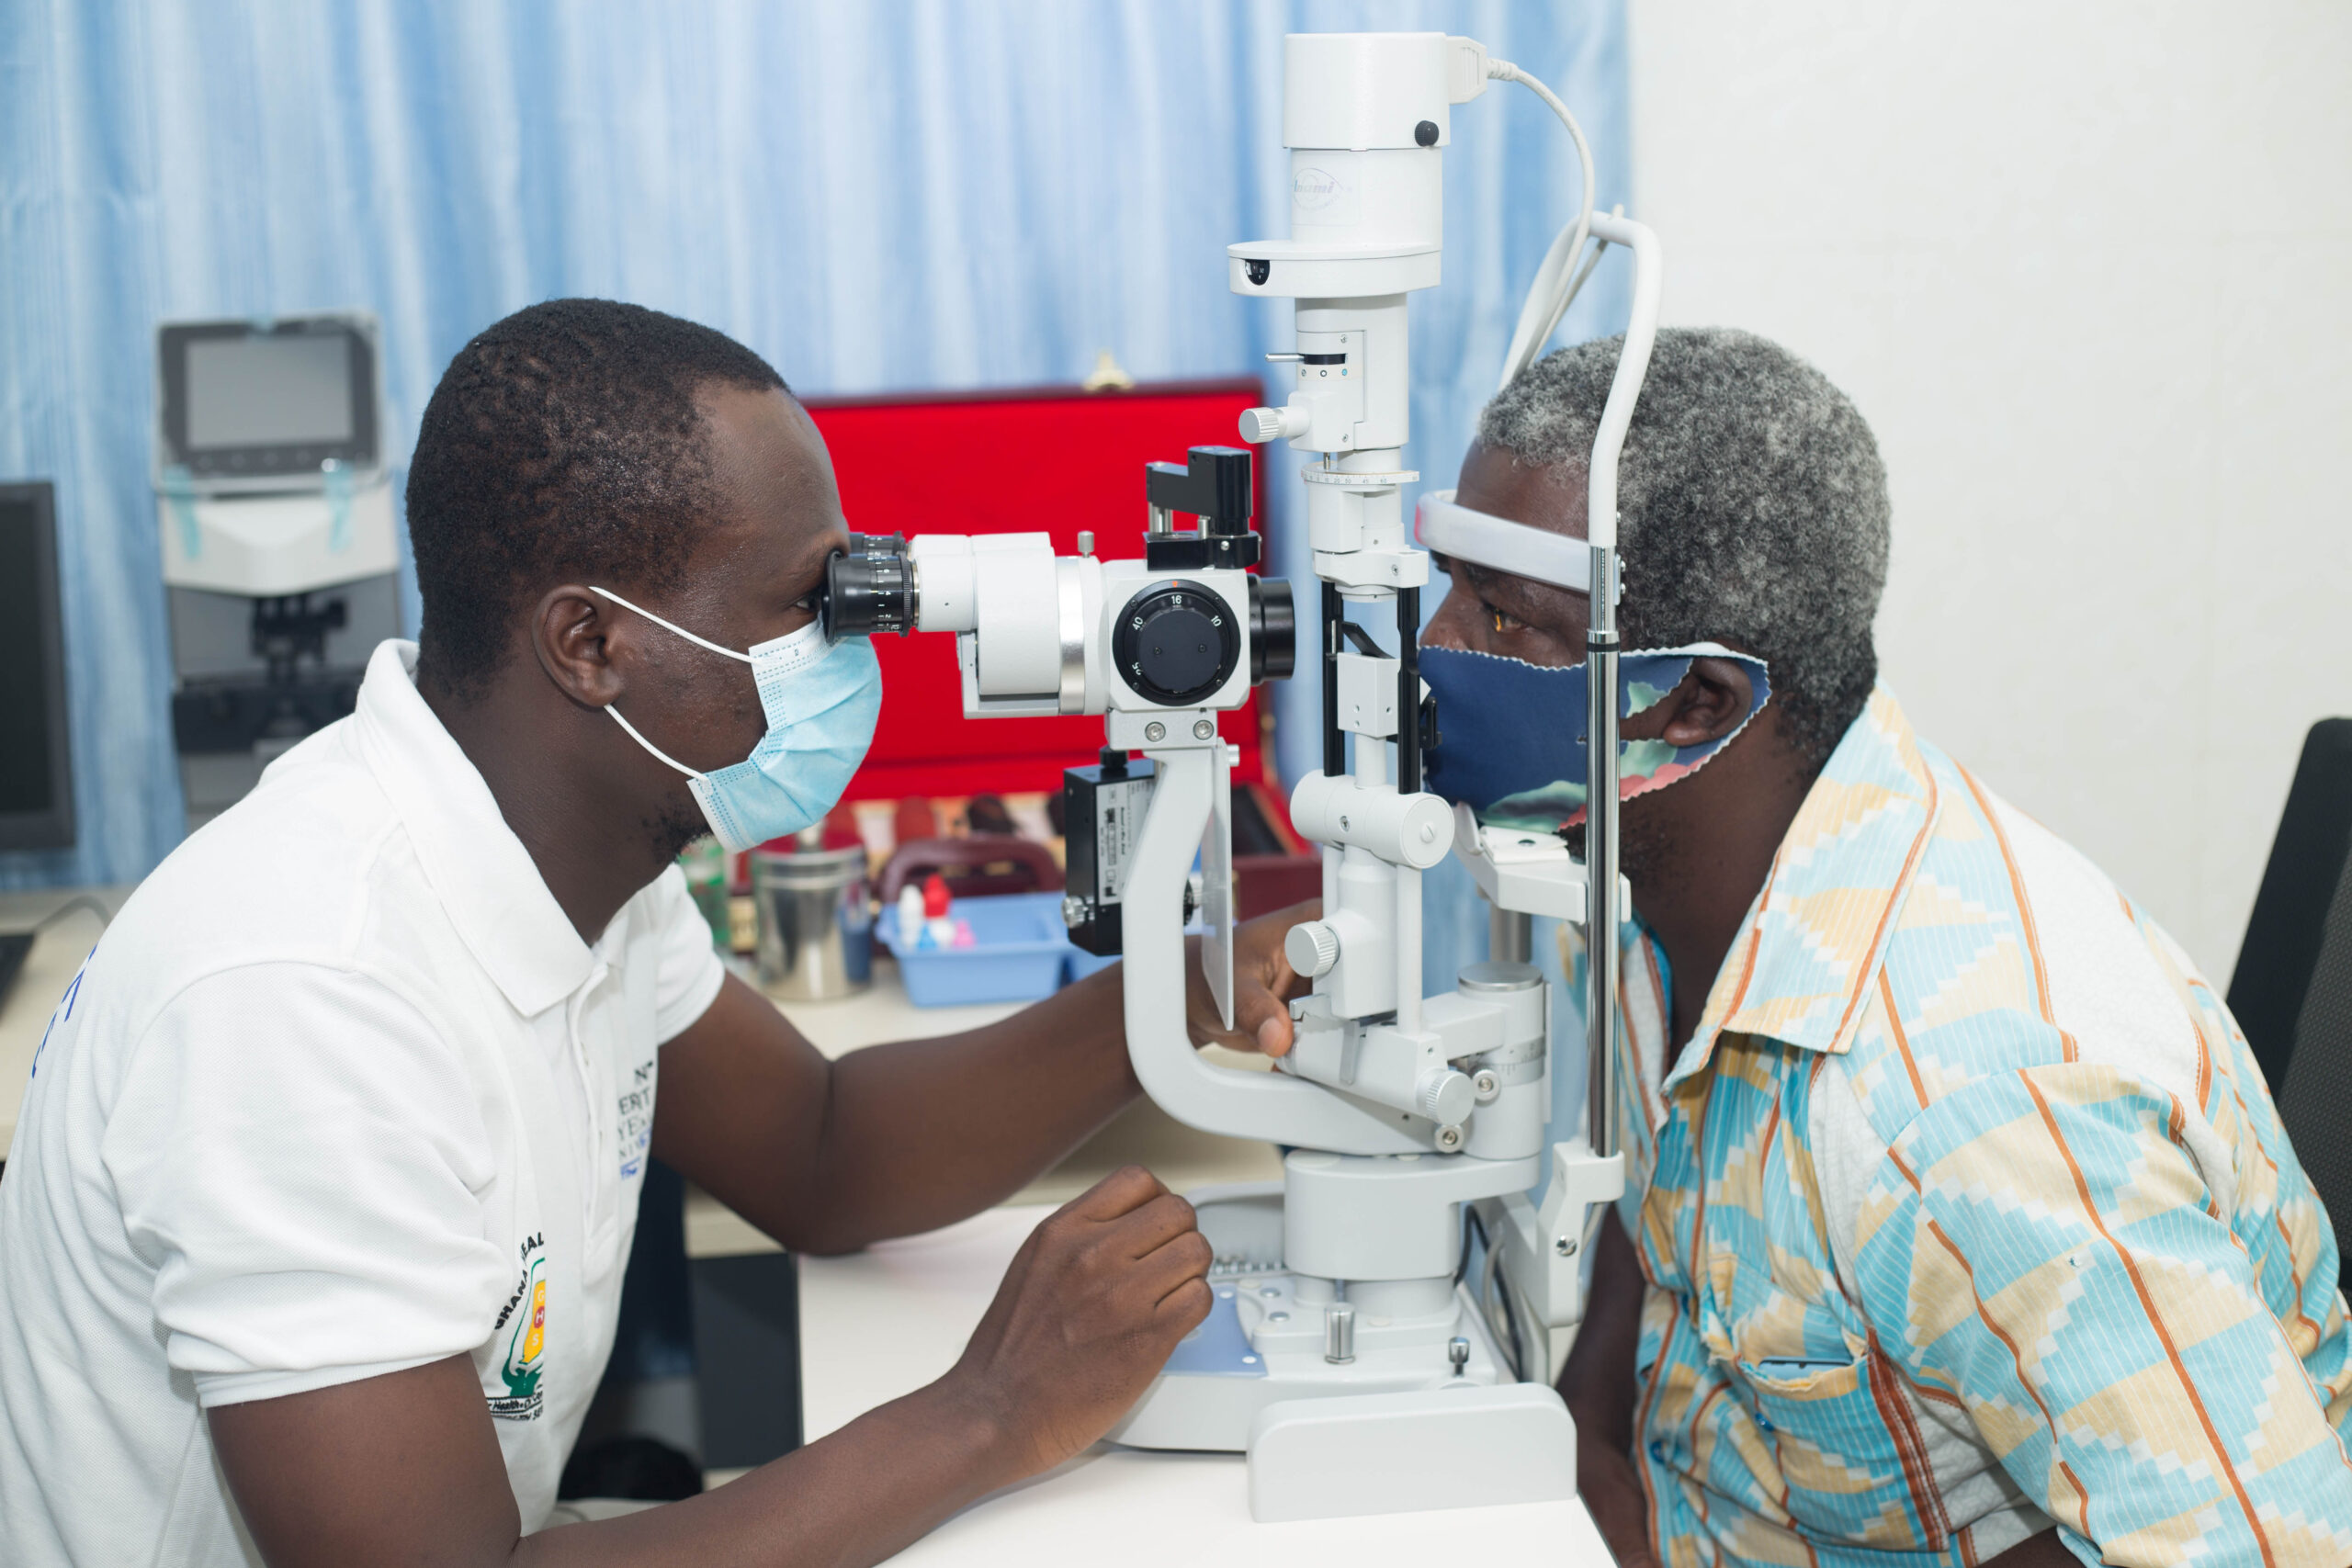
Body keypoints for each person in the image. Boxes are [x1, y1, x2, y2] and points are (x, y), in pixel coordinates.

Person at [0, 299, 1312, 1567]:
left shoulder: (583, 854)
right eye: (808, 604)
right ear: (591, 644)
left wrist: (1190, 988)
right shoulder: (302, 991)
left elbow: (821, 1151)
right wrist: (990, 1411)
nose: (849, 648)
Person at [1420, 328, 2352, 1566]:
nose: (1436, 647)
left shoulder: (1977, 1111)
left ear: (1692, 701)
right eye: (1450, 586)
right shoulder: (1636, 867)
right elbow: (1674, 1194)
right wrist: (1583, 1438)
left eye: (1503, 617)